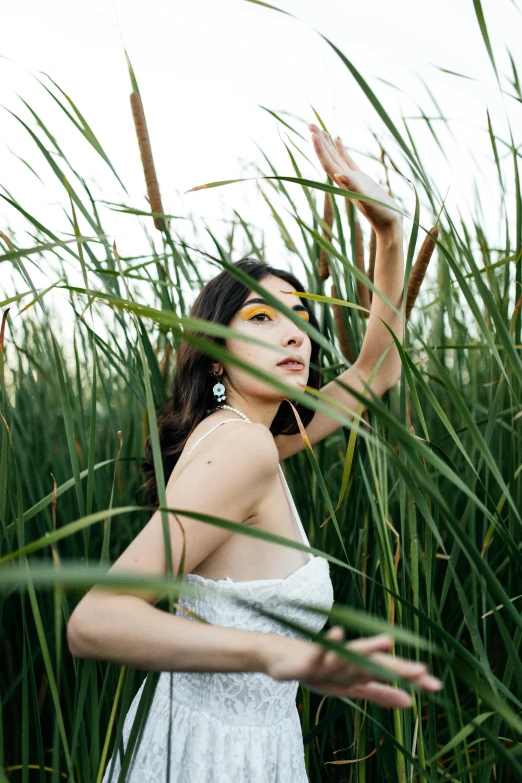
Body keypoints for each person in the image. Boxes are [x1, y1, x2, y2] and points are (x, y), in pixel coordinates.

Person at [66, 125, 442, 782]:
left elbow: (376, 369)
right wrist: (274, 655)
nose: (291, 330)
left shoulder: (256, 437)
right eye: (260, 317)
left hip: (225, 744)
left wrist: (389, 231)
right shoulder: (242, 447)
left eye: (297, 314)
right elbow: (95, 619)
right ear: (216, 350)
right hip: (218, 759)